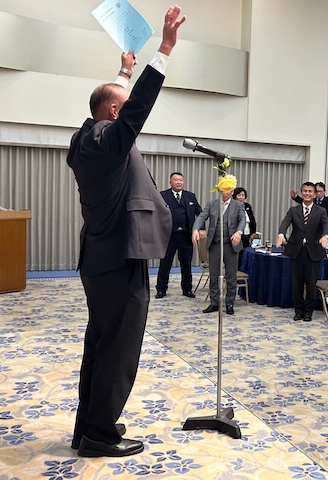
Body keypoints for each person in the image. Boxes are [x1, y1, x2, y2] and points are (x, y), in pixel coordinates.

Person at [66, 6, 185, 458]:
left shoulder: (85, 138)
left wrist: (122, 71)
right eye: (121, 104)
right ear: (114, 113)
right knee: (119, 349)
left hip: (101, 260)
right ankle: (99, 436)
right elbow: (134, 109)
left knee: (100, 343)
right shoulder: (109, 140)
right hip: (118, 260)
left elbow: (113, 103)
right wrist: (165, 49)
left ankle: (89, 425)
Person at [277, 182, 328, 322]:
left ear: (315, 194)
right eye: (305, 191)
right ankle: (298, 311)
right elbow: (285, 223)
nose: (307, 193)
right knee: (297, 284)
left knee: (311, 284)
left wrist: (325, 237)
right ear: (301, 193)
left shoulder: (321, 211)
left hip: (313, 252)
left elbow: (326, 225)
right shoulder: (293, 210)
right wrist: (281, 234)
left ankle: (308, 312)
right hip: (296, 251)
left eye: (310, 191)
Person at [192, 188, 246, 315]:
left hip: (231, 244)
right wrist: (195, 229)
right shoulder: (212, 204)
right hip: (215, 244)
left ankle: (229, 303)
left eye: (227, 191)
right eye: (222, 191)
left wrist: (239, 232)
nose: (224, 193)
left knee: (231, 276)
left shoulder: (238, 205)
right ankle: (214, 303)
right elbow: (201, 217)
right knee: (214, 275)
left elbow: (242, 220)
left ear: (232, 192)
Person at [155, 172, 202, 299]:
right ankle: (161, 289)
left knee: (186, 264)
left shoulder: (190, 196)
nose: (179, 182)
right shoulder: (163, 195)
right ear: (170, 182)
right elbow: (156, 213)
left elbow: (200, 213)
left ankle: (187, 289)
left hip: (186, 236)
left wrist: (201, 229)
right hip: (169, 236)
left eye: (181, 180)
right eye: (176, 180)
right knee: (165, 263)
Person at [233, 187, 257, 267]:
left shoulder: (247, 206)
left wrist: (253, 232)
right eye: (239, 195)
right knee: (237, 255)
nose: (241, 197)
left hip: (247, 233)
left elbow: (252, 220)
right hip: (237, 234)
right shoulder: (232, 206)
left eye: (243, 195)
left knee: (246, 253)